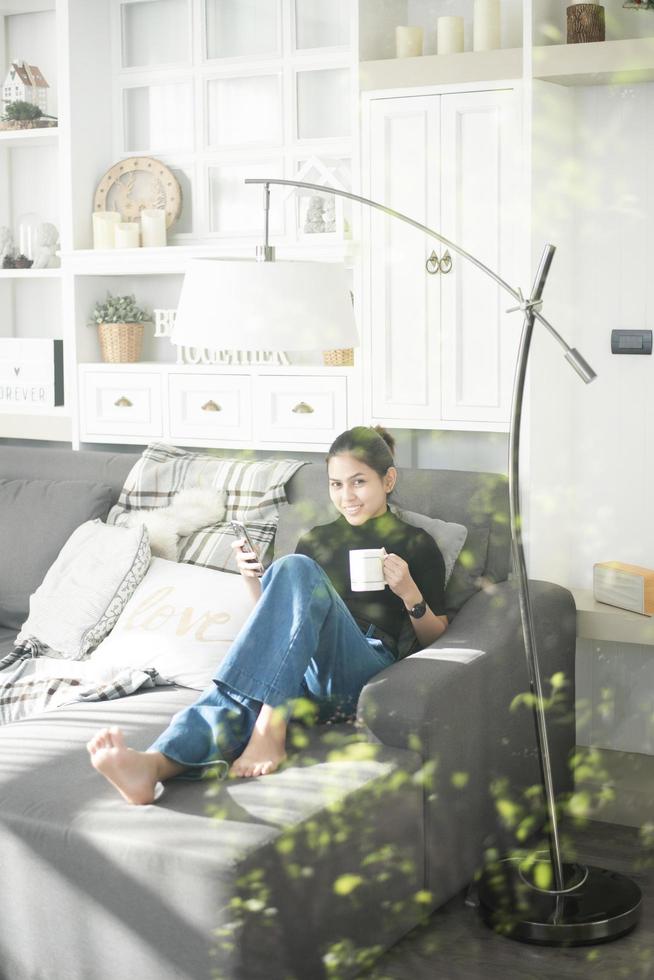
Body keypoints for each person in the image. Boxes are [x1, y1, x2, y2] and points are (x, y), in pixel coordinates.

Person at [87, 426, 448, 804]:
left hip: (359, 669)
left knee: (294, 570)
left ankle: (270, 727)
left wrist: (410, 593)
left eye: (359, 482)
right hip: (300, 672)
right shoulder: (318, 539)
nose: (347, 496)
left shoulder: (416, 543)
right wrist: (253, 582)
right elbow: (280, 628)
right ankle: (154, 765)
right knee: (246, 676)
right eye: (336, 485)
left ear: (388, 479)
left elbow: (437, 638)